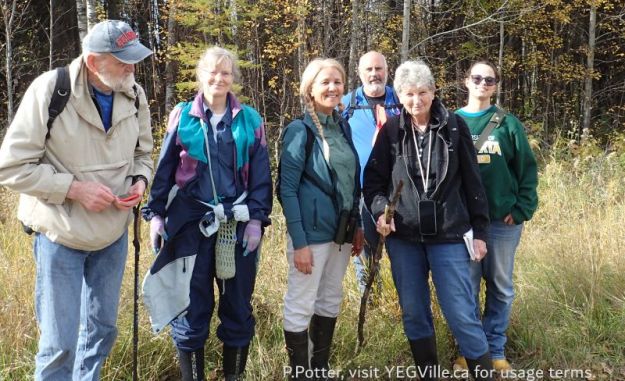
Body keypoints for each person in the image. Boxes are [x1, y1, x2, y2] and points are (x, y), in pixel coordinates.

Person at [0, 20, 153, 380]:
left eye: (133, 60)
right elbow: (10, 167)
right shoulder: (50, 91)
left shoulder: (135, 94)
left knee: (101, 333)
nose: (132, 68)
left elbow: (143, 153)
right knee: (59, 346)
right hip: (60, 238)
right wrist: (74, 189)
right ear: (94, 61)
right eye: (123, 61)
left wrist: (140, 181)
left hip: (112, 236)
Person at [141, 46, 272, 381]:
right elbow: (165, 168)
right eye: (212, 72)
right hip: (189, 228)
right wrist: (155, 215)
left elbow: (260, 176)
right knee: (190, 307)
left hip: (237, 228)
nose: (218, 78)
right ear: (201, 77)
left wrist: (256, 219)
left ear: (233, 79)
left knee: (237, 307)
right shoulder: (182, 116)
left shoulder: (250, 121)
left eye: (225, 72)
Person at [363, 60, 495, 381]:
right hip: (405, 237)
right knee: (414, 314)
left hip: (449, 235)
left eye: (423, 92)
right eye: (409, 94)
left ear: (434, 92)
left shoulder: (453, 127)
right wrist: (382, 211)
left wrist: (480, 231)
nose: (416, 101)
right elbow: (373, 183)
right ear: (399, 95)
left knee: (461, 313)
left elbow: (473, 182)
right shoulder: (392, 131)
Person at [279, 58, 363, 380]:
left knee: (330, 299)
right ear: (310, 89)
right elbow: (286, 190)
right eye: (325, 82)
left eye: (338, 82)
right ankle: (299, 374)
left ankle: (320, 370)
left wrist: (356, 224)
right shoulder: (299, 131)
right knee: (301, 304)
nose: (333, 87)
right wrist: (299, 243)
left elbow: (350, 181)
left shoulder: (342, 126)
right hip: (310, 237)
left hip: (341, 235)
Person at [453, 60, 538, 372]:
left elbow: (527, 170)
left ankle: (496, 349)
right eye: (477, 78)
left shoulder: (507, 123)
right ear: (466, 81)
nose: (482, 84)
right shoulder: (452, 121)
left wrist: (521, 209)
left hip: (501, 222)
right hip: (464, 223)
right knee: (467, 285)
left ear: (496, 86)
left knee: (500, 284)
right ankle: (472, 352)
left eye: (489, 80)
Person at [341, 51, 400, 294]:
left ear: (387, 71)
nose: (374, 74)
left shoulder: (402, 99)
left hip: (399, 193)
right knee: (364, 254)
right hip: (363, 193)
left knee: (402, 255)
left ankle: (402, 304)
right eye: (369, 69)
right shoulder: (346, 104)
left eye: (379, 68)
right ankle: (369, 304)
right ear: (359, 72)